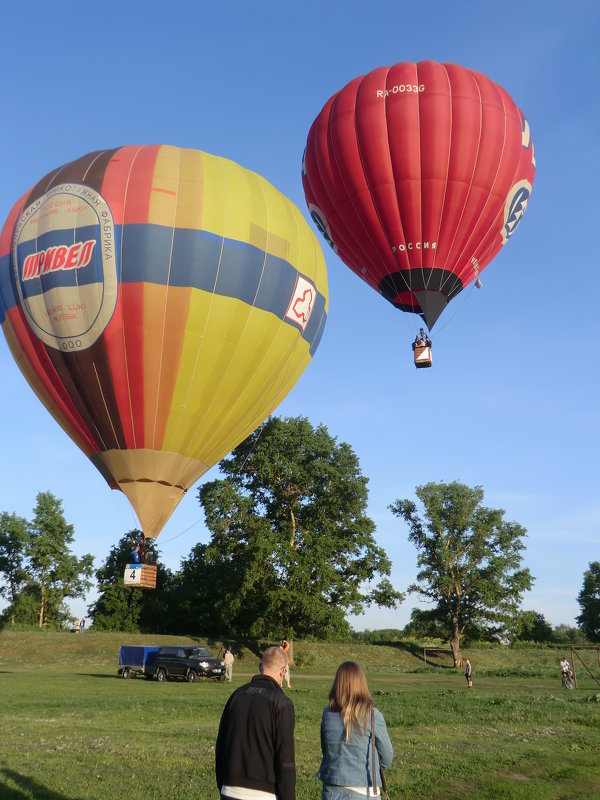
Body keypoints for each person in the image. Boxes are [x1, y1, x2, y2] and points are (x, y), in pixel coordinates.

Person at [215, 646, 295, 800]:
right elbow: (286, 761)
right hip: (264, 792)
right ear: (283, 671)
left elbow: (221, 747)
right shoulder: (282, 703)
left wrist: (222, 784)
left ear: (260, 666)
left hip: (230, 789)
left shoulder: (236, 696)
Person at [318, 661, 393, 800]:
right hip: (363, 790)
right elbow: (387, 758)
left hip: (331, 790)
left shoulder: (327, 713)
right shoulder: (372, 715)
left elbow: (326, 750)